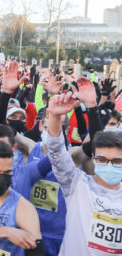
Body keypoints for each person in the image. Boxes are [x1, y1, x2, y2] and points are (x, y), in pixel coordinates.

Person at [45, 90, 122, 255]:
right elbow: (57, 153)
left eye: (117, 161)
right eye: (102, 159)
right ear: (93, 159)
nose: (109, 165)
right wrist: (54, 117)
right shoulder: (76, 185)